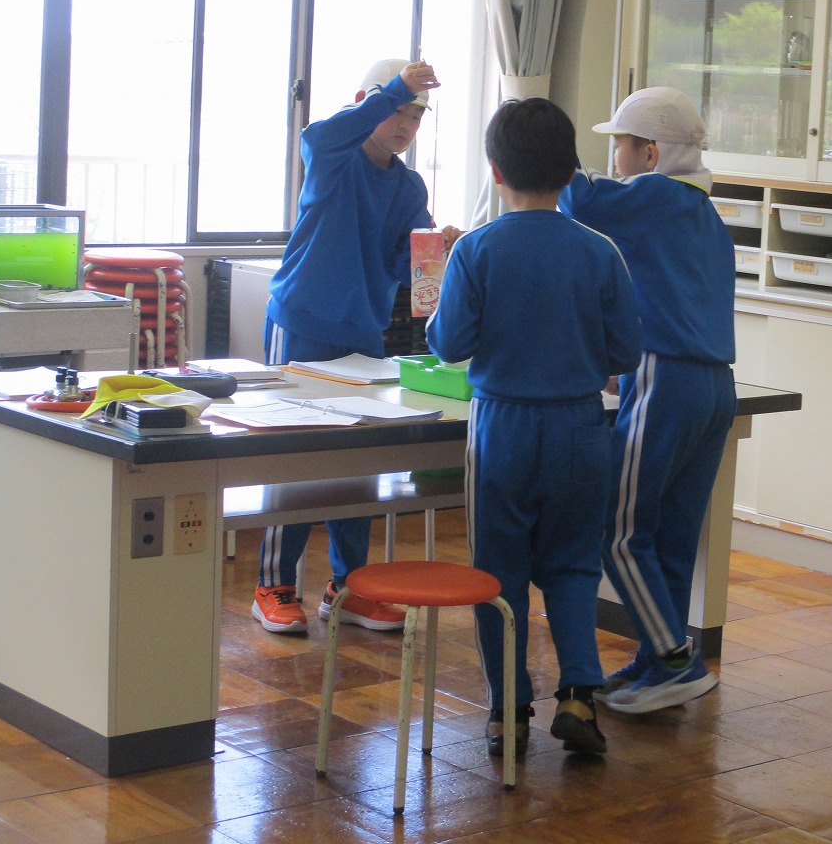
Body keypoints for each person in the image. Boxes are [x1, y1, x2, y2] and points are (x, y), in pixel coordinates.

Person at [426, 97, 643, 757]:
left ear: (495, 172)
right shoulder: (600, 251)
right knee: (573, 565)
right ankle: (578, 694)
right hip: (581, 425)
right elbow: (625, 351)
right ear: (572, 172)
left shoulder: (476, 249)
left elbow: (448, 344)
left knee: (499, 572)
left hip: (504, 426)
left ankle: (508, 709)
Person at [252, 58, 460, 635]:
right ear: (368, 102)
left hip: (364, 332)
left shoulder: (408, 186)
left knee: (356, 460)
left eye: (416, 116)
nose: (406, 124)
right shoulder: (333, 156)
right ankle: (274, 585)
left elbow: (403, 263)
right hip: (302, 321)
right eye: (398, 110)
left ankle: (350, 588)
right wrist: (395, 89)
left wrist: (438, 247)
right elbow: (318, 134)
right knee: (294, 453)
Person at [558, 86, 737, 714]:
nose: (616, 160)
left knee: (616, 528)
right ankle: (656, 660)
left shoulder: (656, 195)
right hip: (714, 385)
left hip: (666, 378)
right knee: (669, 534)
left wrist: (546, 141)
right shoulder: (704, 214)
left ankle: (675, 660)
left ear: (651, 153)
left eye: (620, 146)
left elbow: (578, 197)